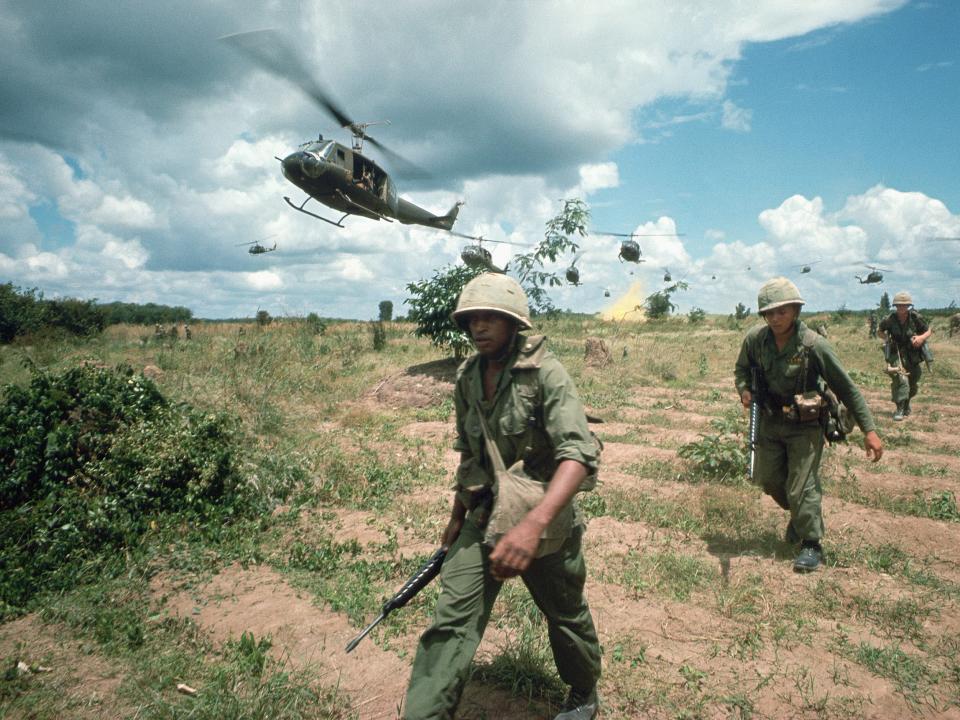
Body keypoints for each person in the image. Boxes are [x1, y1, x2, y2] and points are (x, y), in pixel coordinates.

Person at [403, 273, 601, 720]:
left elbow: (578, 456)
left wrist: (532, 528)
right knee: (451, 623)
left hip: (544, 519)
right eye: (472, 318)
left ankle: (584, 691)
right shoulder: (468, 377)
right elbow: (471, 453)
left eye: (491, 317)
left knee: (565, 615)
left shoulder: (547, 374)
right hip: (486, 516)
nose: (480, 327)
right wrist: (457, 515)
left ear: (515, 323)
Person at [734, 278, 883, 573]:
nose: (775, 318)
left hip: (805, 425)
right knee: (769, 481)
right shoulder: (755, 340)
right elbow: (741, 370)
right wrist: (744, 390)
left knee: (801, 487)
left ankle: (811, 543)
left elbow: (848, 388)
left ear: (795, 310)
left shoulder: (814, 345)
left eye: (782, 311)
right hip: (769, 422)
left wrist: (870, 431)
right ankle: (802, 515)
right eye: (769, 313)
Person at [877, 291, 932, 421]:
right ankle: (900, 408)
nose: (902, 308)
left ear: (908, 306)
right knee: (901, 380)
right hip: (896, 353)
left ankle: (906, 404)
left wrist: (920, 338)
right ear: (895, 306)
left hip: (912, 354)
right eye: (899, 305)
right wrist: (886, 338)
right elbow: (879, 331)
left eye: (904, 305)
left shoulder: (915, 317)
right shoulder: (889, 319)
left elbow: (928, 330)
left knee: (913, 381)